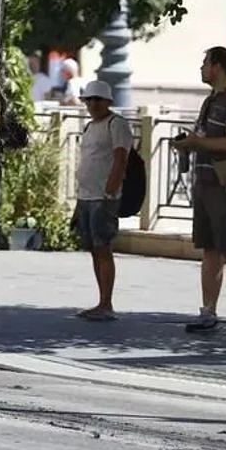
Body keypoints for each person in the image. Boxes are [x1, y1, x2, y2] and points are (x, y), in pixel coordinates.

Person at [174, 46, 226, 337]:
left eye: (205, 63)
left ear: (218, 67)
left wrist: (198, 143)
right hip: (206, 185)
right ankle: (208, 311)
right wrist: (190, 143)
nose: (201, 68)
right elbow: (209, 138)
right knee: (210, 251)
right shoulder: (211, 100)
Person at [72, 80, 132, 321]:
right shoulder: (89, 127)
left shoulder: (116, 124)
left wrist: (110, 191)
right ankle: (101, 302)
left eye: (98, 99)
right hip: (86, 196)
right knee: (94, 250)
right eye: (90, 99)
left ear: (108, 101)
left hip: (103, 198)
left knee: (103, 248)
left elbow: (120, 158)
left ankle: (107, 303)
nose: (93, 104)